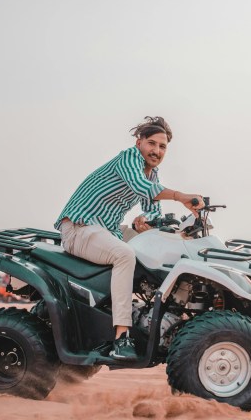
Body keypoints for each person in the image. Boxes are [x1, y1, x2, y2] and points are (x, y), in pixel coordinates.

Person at [55, 116, 205, 361]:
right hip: (79, 227)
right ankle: (121, 337)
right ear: (139, 143)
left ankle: (155, 313)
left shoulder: (152, 173)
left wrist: (148, 223)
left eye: (162, 146)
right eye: (152, 144)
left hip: (107, 228)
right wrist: (180, 196)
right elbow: (141, 188)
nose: (156, 151)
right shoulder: (129, 159)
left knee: (163, 242)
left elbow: (151, 209)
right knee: (125, 255)